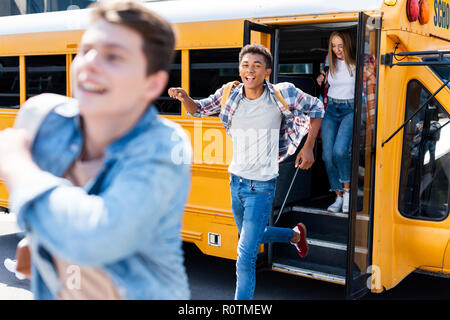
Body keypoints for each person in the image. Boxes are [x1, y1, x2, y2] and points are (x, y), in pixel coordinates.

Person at [0, 0, 192, 300]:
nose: (90, 62)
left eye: (113, 56)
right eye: (85, 50)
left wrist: (17, 167)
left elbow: (97, 236)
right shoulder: (44, 119)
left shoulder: (165, 145)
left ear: (152, 84)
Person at [169, 43, 324, 300]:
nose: (250, 70)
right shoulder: (230, 92)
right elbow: (199, 109)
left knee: (245, 255)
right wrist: (185, 98)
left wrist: (308, 148)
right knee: (254, 235)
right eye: (245, 64)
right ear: (239, 69)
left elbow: (317, 108)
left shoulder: (282, 94)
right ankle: (296, 235)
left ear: (267, 72)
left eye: (257, 65)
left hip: (262, 185)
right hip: (236, 182)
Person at [316, 31, 356, 213]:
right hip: (330, 109)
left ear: (347, 44)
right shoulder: (328, 61)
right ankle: (338, 196)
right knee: (327, 155)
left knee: (340, 151)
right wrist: (320, 80)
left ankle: (348, 192)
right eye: (333, 46)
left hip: (350, 109)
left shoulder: (359, 63)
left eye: (340, 46)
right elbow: (325, 83)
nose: (337, 50)